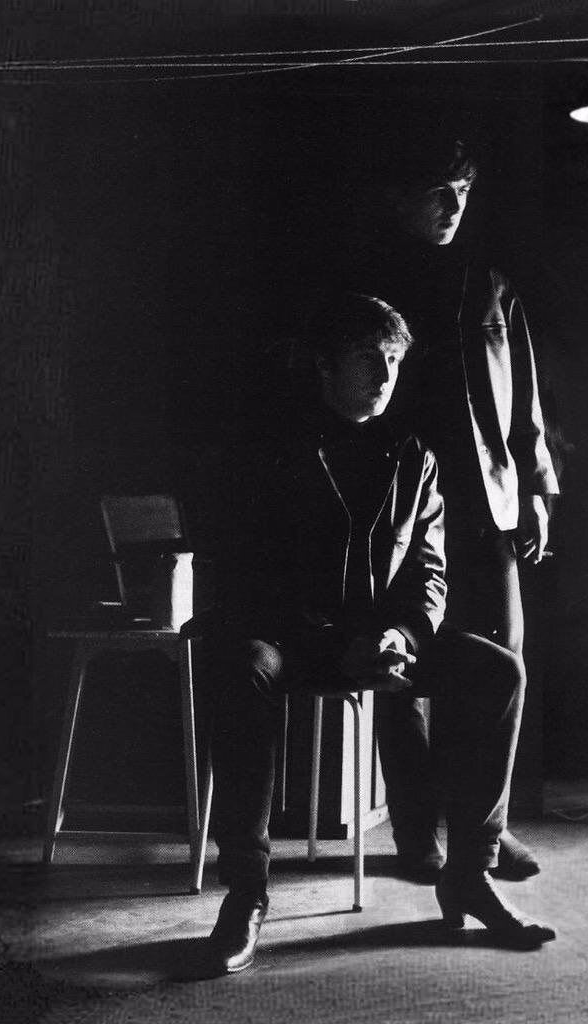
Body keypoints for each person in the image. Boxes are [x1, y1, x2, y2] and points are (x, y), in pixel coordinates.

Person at [205, 293, 555, 974]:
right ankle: (245, 894)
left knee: (496, 670)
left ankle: (469, 873)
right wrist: (337, 641)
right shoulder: (270, 450)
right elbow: (250, 577)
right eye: (368, 358)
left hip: (381, 644)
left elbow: (429, 572)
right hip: (293, 642)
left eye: (394, 360)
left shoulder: (412, 456)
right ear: (324, 365)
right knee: (244, 665)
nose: (385, 374)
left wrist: (403, 635)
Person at [340, 136, 562, 882]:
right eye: (438, 190)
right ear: (400, 197)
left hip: (487, 503)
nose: (453, 207)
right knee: (402, 668)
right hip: (396, 507)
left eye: (463, 192)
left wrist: (536, 488)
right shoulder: (367, 285)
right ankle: (417, 836)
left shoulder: (489, 284)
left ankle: (486, 833)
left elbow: (525, 396)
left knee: (500, 664)